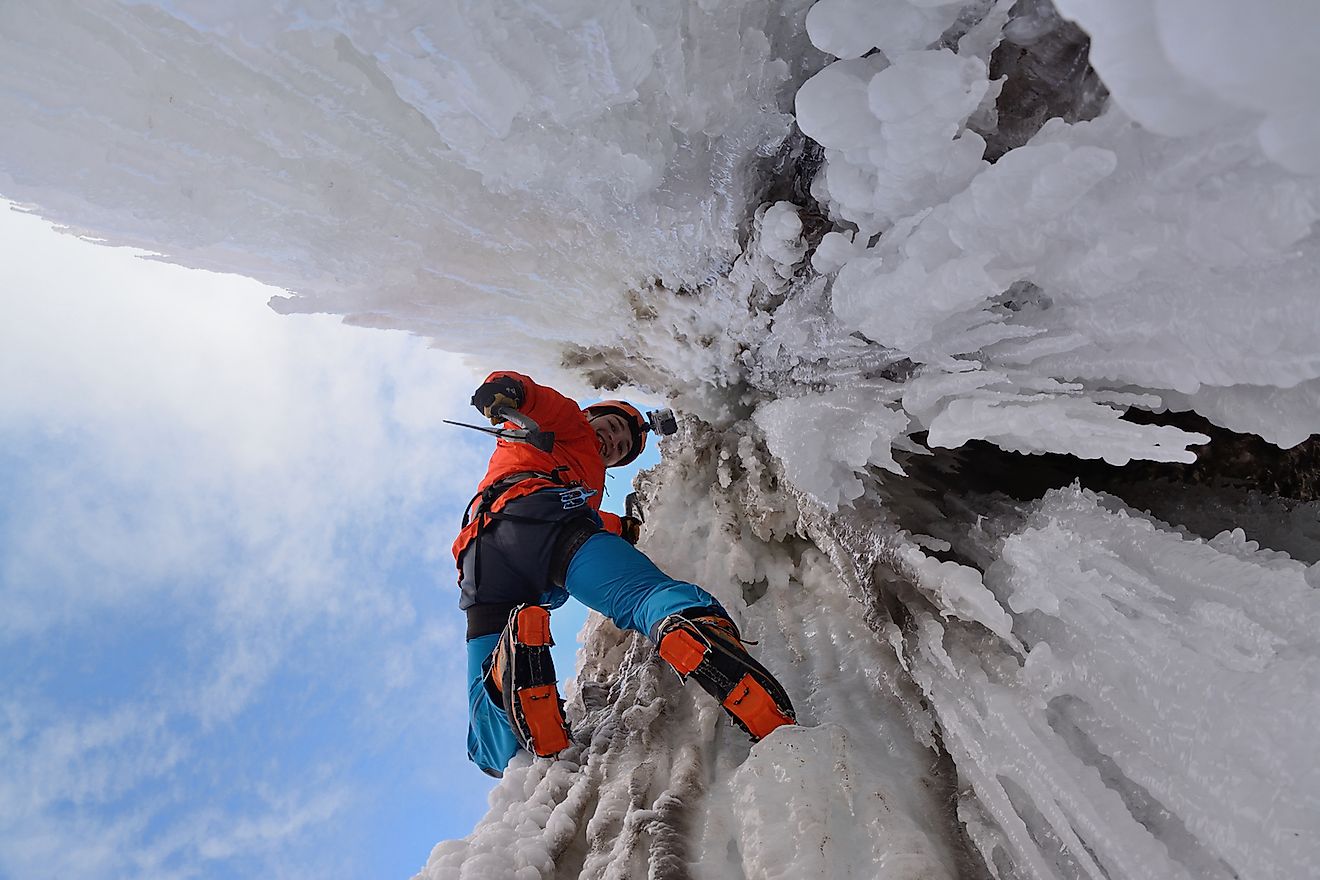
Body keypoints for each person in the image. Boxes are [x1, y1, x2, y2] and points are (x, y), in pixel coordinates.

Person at [454, 370, 796, 777]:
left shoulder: (578, 475)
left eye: (619, 449)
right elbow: (545, 401)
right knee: (645, 597)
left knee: (499, 752)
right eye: (612, 427)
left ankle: (505, 670)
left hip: (483, 557)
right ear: (592, 415)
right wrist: (510, 390)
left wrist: (623, 527)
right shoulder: (570, 427)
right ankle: (693, 628)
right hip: (549, 523)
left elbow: (594, 518)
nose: (612, 442)